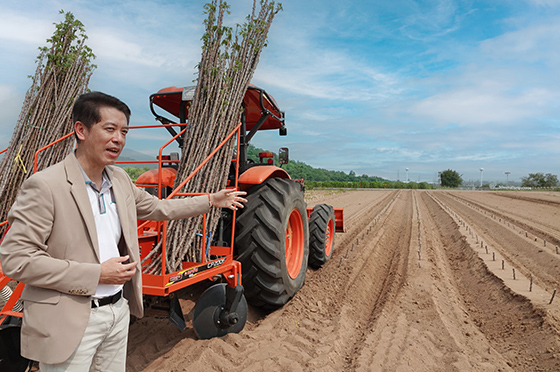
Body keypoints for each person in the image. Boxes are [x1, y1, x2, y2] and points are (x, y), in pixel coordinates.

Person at [0, 91, 247, 371]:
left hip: (117, 312)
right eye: (109, 129)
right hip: (69, 318)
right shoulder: (46, 186)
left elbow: (160, 209)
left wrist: (211, 200)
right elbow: (16, 260)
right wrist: (97, 274)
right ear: (80, 130)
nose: (118, 138)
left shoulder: (119, 179)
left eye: (124, 131)